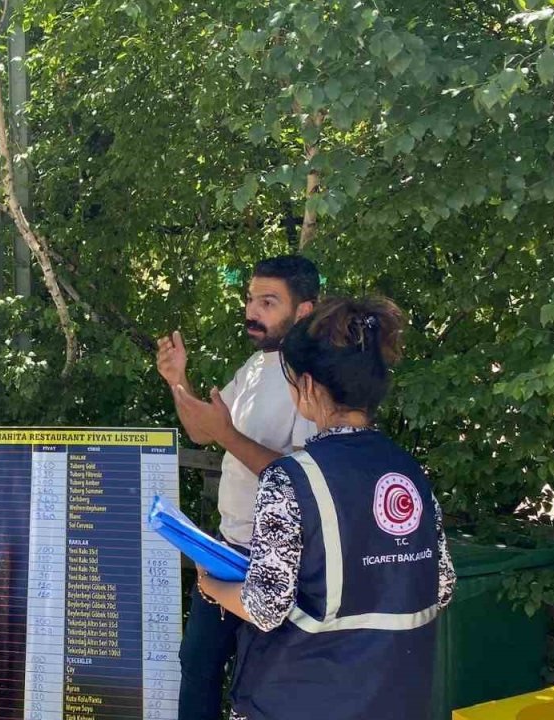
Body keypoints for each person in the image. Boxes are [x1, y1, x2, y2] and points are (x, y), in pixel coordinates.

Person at [197, 296, 455, 720]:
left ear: (310, 387)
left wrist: (211, 585)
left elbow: (265, 606)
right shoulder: (409, 472)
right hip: (396, 699)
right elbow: (440, 586)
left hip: (297, 698)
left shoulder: (291, 478)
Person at [154, 255, 320, 720]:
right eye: (251, 299)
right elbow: (201, 431)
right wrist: (177, 381)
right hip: (227, 552)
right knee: (198, 664)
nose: (252, 311)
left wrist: (227, 434)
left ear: (304, 311)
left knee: (260, 686)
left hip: (281, 563)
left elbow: (305, 481)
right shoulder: (254, 366)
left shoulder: (312, 381)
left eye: (268, 302)